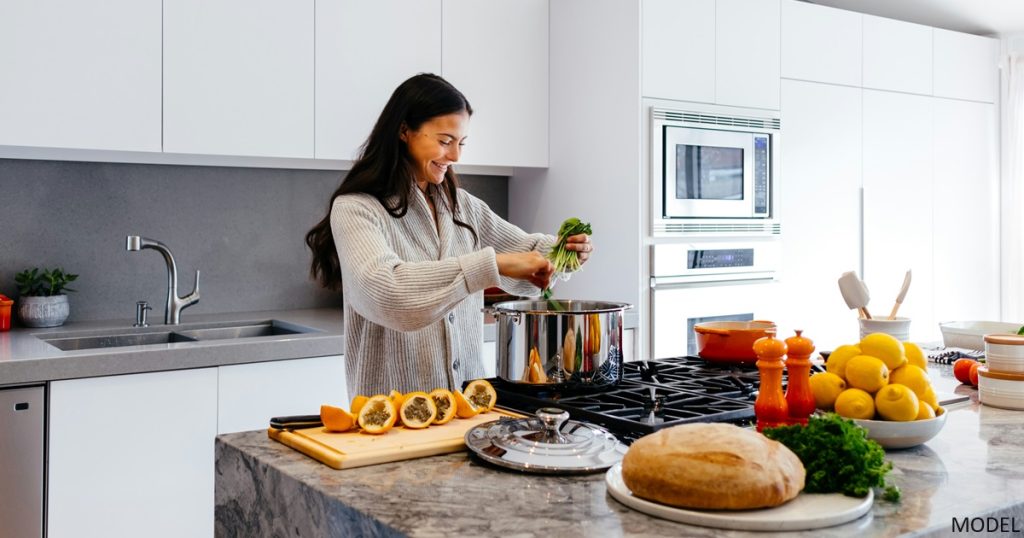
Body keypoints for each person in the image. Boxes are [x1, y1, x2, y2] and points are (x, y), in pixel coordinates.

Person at [306, 73, 593, 397]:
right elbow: (387, 293)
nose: (456, 156)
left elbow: (525, 252)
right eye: (445, 141)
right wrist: (490, 266)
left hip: (469, 408)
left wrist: (563, 252)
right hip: (391, 417)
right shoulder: (357, 209)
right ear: (404, 131)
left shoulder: (463, 207)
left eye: (461, 143)